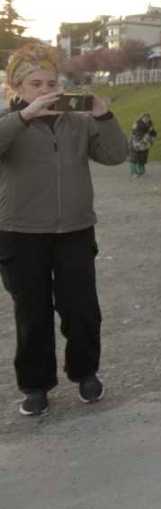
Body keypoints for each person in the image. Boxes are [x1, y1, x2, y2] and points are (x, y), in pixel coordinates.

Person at [0, 43, 127, 416]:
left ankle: (85, 373)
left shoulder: (77, 121)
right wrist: (24, 117)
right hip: (21, 233)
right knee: (32, 313)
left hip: (75, 230)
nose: (45, 91)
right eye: (35, 84)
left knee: (82, 308)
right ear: (17, 88)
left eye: (51, 83)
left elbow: (116, 155)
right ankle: (35, 385)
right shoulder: (10, 123)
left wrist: (104, 116)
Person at [127, 112, 157, 178]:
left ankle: (141, 171)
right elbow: (135, 133)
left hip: (144, 144)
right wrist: (144, 138)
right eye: (145, 118)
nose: (146, 119)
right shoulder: (137, 124)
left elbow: (154, 133)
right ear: (142, 117)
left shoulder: (150, 124)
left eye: (148, 118)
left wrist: (151, 137)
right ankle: (133, 172)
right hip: (135, 142)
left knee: (142, 157)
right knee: (134, 157)